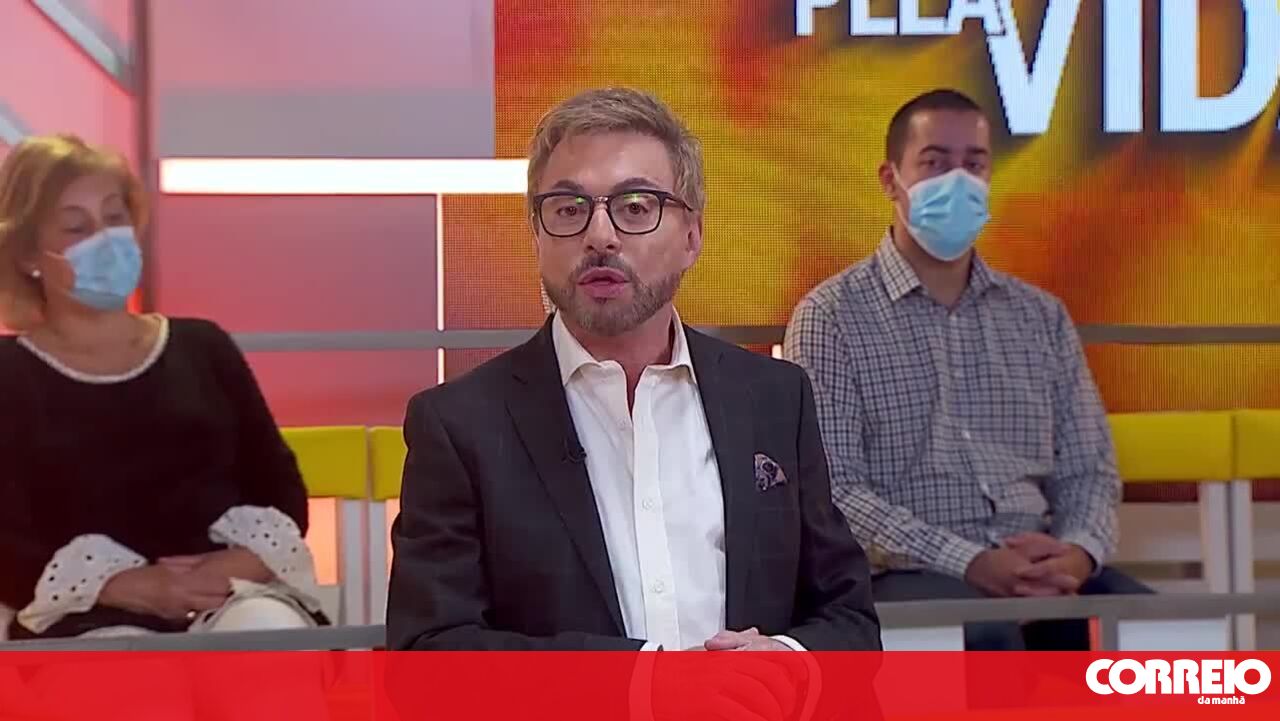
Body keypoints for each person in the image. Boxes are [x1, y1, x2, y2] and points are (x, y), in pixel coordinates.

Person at [387, 88, 880, 655]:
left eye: (636, 207)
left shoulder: (775, 397)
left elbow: (850, 621)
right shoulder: (459, 424)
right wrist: (642, 682)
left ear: (692, 236)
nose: (600, 236)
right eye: (569, 209)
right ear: (537, 237)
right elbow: (429, 650)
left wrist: (787, 661)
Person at [783, 89, 1150, 651]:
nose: (957, 181)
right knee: (986, 638)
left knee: (1166, 632)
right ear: (890, 180)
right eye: (934, 163)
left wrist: (1077, 554)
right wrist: (972, 562)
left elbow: (1089, 469)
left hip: (1043, 564)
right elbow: (835, 493)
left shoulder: (1040, 317)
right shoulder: (831, 317)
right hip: (905, 572)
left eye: (974, 165)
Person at [0, 134, 324, 641]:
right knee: (125, 667)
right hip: (88, 615)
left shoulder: (204, 346)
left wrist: (231, 569)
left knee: (266, 639)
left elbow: (281, 490)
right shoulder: (9, 374)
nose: (105, 239)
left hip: (230, 596)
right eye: (76, 227)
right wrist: (124, 586)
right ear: (27, 256)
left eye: (114, 218)